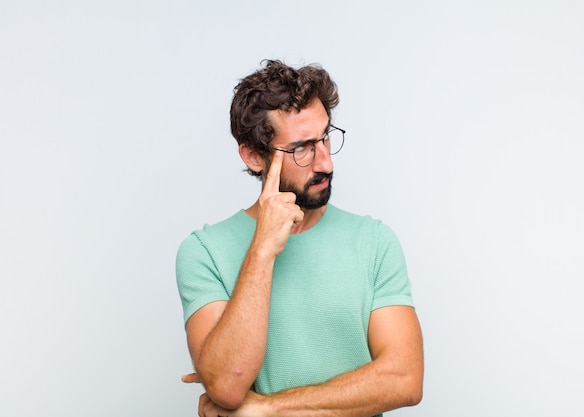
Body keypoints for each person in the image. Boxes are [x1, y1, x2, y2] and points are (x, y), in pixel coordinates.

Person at [176, 59, 423, 417]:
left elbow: (403, 379)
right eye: (302, 148)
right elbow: (229, 384)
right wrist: (262, 250)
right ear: (253, 156)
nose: (325, 163)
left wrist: (267, 409)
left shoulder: (374, 241)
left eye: (325, 137)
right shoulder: (204, 252)